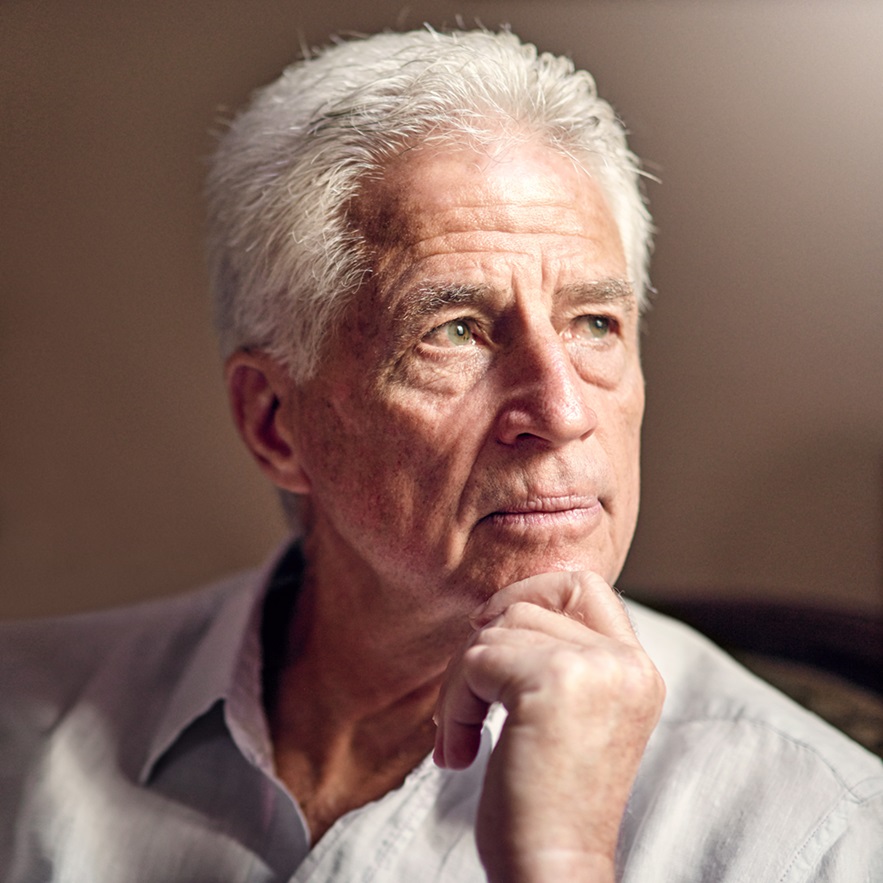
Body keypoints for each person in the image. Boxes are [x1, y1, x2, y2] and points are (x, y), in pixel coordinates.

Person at [1, 27, 880, 883]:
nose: (562, 411)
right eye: (455, 330)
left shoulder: (822, 833)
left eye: (594, 323)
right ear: (274, 422)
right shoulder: (22, 731)